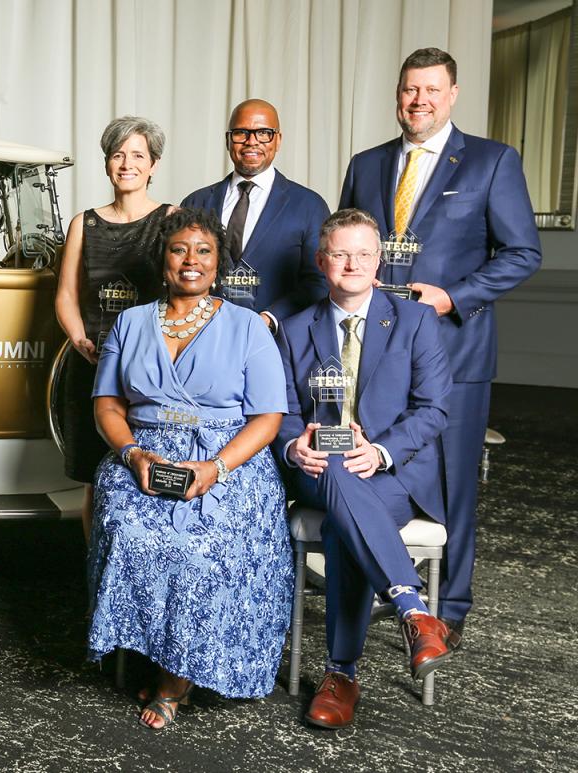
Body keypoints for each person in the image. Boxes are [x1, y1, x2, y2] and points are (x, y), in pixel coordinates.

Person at [339, 47, 542, 649]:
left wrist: (452, 297)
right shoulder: (367, 163)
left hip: (456, 352)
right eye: (409, 90)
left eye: (431, 90)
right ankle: (386, 582)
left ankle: (448, 609)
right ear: (397, 95)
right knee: (373, 460)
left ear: (452, 94)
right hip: (376, 352)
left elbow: (523, 253)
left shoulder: (491, 161)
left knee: (454, 481)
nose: (419, 100)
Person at [86, 208, 291, 729]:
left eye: (204, 251)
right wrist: (133, 454)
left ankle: (175, 678)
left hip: (227, 460)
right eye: (180, 250)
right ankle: (143, 646)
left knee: (199, 549)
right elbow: (107, 404)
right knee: (130, 531)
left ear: (218, 265)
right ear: (163, 261)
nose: (191, 260)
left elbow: (268, 418)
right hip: (143, 456)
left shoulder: (248, 326)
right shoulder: (130, 323)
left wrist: (216, 467)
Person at [274, 208, 454, 729]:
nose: (351, 263)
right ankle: (414, 612)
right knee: (334, 472)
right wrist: (293, 446)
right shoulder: (292, 329)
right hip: (316, 469)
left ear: (378, 262)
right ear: (321, 260)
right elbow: (281, 413)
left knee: (341, 524)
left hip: (393, 475)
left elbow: (434, 409)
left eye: (363, 253)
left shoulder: (415, 320)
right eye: (340, 253)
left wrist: (379, 451)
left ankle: (341, 673)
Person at [54, 116, 170, 541]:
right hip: (92, 365)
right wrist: (79, 339)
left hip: (151, 370)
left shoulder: (171, 219)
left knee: (150, 468)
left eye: (137, 155)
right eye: (118, 155)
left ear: (153, 164)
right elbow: (66, 295)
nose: (127, 164)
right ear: (106, 163)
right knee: (93, 479)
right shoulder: (83, 223)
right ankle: (96, 584)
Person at [182, 99, 328, 329]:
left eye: (263, 133)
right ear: (228, 140)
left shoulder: (309, 205)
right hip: (203, 337)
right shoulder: (196, 202)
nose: (252, 142)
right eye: (241, 133)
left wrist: (269, 319)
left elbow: (319, 281)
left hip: (278, 344)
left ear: (278, 140)